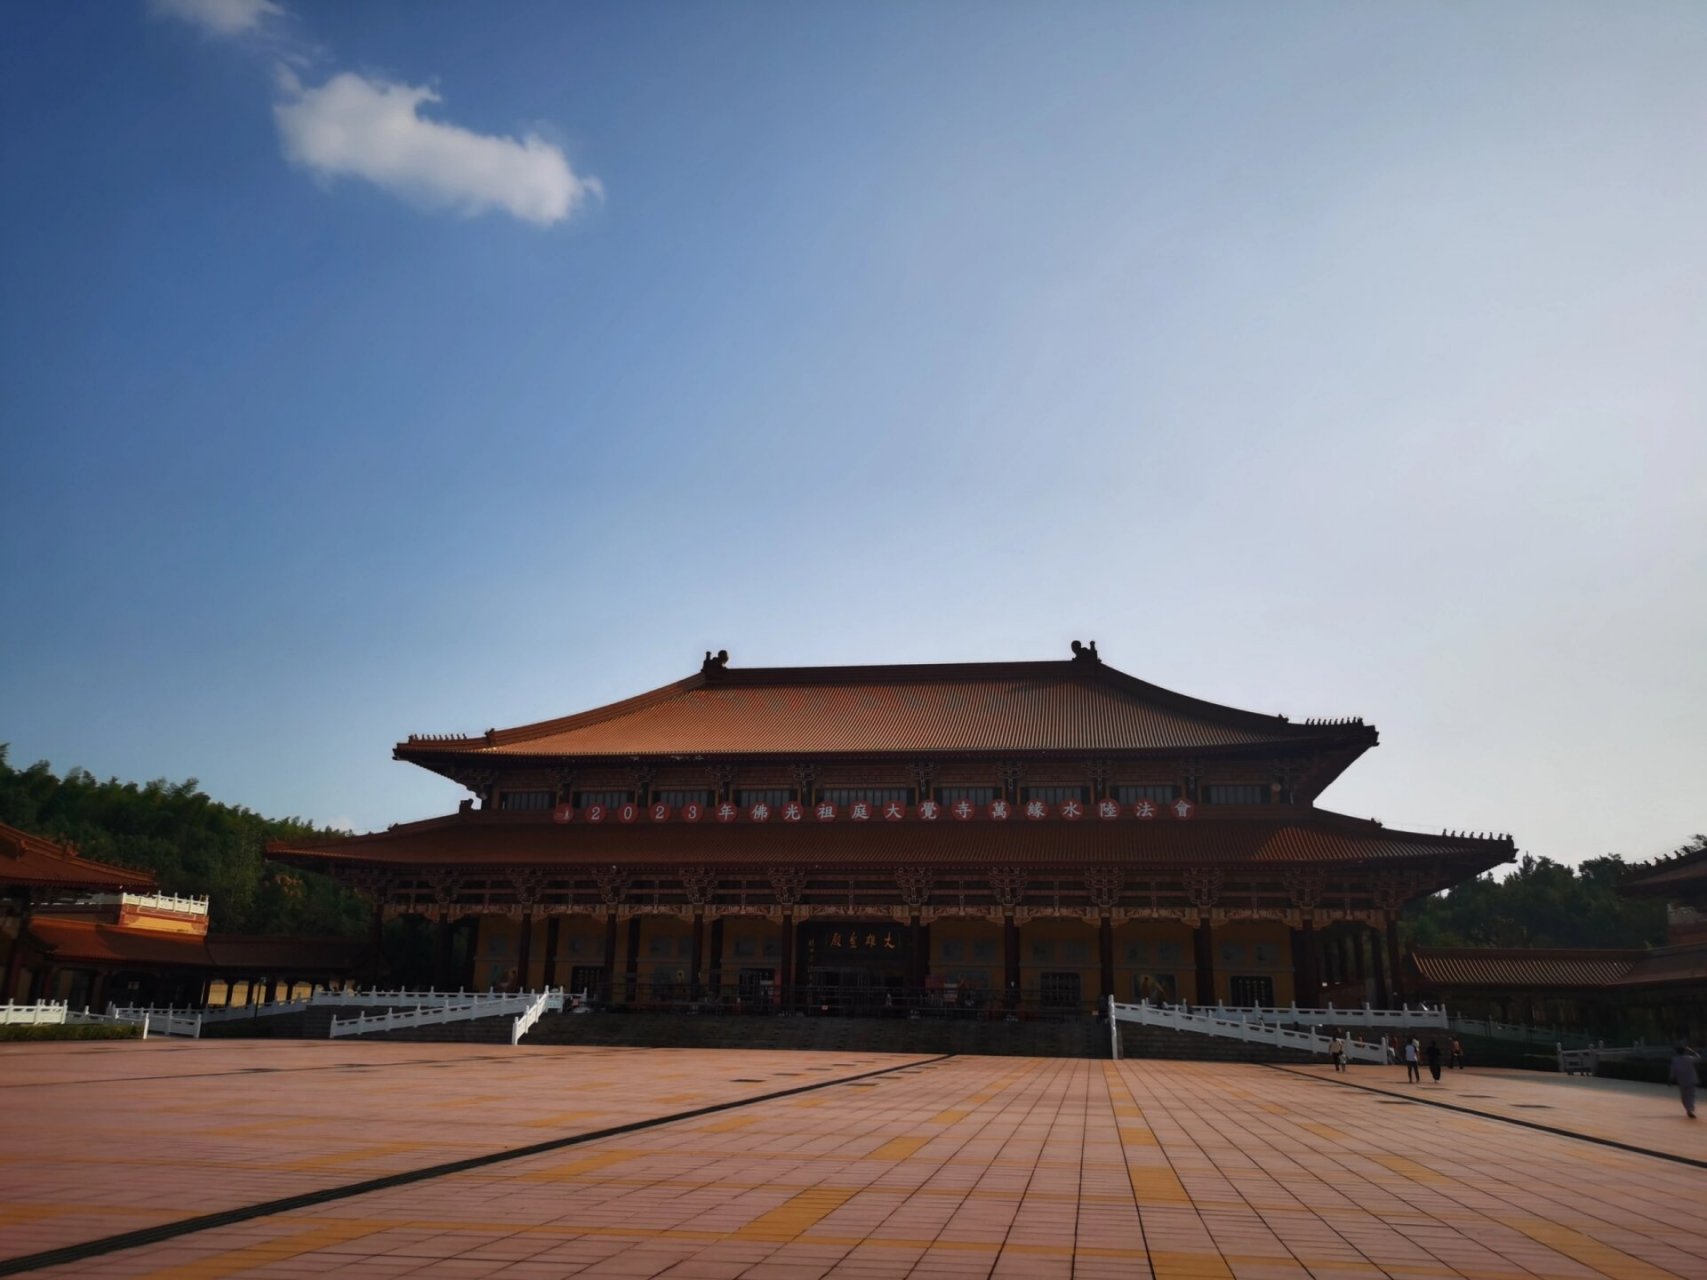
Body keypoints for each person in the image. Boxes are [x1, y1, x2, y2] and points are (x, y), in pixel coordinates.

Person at [1670, 1043, 1700, 1119]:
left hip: (1682, 1081)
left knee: (1684, 1097)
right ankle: (1690, 1110)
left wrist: (1670, 1079)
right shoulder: (1689, 1058)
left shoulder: (1675, 1060)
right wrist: (1692, 1051)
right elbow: (1699, 1057)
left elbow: (1673, 1071)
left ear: (1677, 1052)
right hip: (1691, 1079)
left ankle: (1689, 1109)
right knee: (1691, 1096)